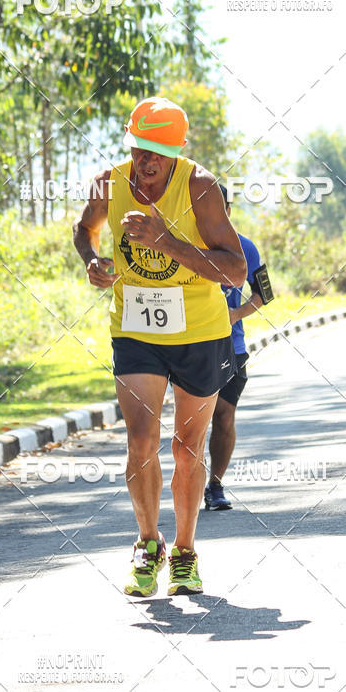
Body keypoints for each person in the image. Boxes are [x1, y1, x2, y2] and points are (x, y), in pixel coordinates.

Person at [73, 96, 246, 596]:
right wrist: (93, 260)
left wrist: (165, 241)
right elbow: (85, 229)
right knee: (142, 442)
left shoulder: (201, 189)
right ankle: (148, 546)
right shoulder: (111, 182)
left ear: (175, 153)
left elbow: (234, 269)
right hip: (136, 332)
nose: (145, 162)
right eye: (137, 149)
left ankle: (186, 553)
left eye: (156, 153)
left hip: (199, 333)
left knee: (187, 451)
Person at [205, 185, 263, 510]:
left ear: (227, 209)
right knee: (193, 421)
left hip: (232, 346)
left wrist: (237, 313)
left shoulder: (245, 248)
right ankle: (189, 481)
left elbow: (264, 292)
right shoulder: (183, 245)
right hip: (189, 347)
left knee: (224, 417)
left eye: (218, 207)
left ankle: (215, 485)